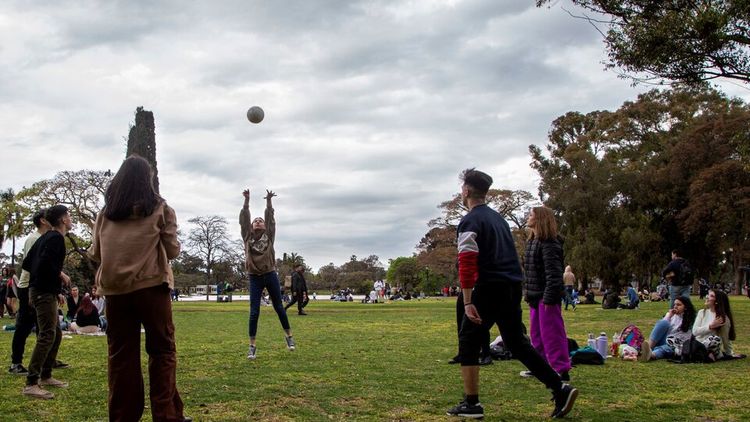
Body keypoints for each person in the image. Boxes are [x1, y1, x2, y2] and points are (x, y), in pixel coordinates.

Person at [447, 168, 577, 419]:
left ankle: (471, 403)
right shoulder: (499, 220)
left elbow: (467, 261)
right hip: (511, 285)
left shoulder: (470, 221)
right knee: (516, 341)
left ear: (465, 191)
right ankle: (559, 387)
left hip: (487, 286)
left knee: (469, 341)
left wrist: (468, 299)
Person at [88, 155, 189, 421]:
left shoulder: (105, 214)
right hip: (151, 287)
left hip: (116, 292)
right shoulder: (160, 208)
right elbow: (172, 250)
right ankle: (166, 415)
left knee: (122, 357)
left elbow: (96, 252)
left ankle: (123, 416)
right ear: (148, 180)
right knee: (162, 351)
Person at [23, 205, 73, 399]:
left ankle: (46, 375)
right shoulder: (56, 238)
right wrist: (57, 282)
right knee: (46, 335)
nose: (70, 219)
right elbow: (45, 265)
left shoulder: (45, 237)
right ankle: (31, 382)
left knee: (56, 333)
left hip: (42, 290)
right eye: (68, 216)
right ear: (62, 220)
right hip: (43, 293)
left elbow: (28, 263)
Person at [240, 188, 294, 360]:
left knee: (279, 307)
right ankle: (252, 346)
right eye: (255, 221)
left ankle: (289, 337)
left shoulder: (269, 236)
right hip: (254, 277)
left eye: (260, 220)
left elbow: (271, 219)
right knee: (254, 311)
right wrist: (247, 201)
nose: (257, 222)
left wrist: (269, 202)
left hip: (270, 274)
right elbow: (244, 219)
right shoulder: (247, 236)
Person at [521, 206, 572, 382]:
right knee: (536, 334)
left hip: (547, 296)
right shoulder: (532, 242)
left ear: (540, 219)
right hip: (535, 296)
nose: (528, 218)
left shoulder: (550, 243)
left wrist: (549, 298)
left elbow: (554, 274)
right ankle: (540, 367)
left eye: (531, 215)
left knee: (552, 334)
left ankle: (560, 369)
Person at [9, 210, 48, 375]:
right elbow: (33, 264)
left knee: (43, 326)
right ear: (43, 220)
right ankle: (15, 363)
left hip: (39, 286)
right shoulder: (34, 238)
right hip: (28, 287)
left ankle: (47, 359)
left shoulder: (45, 238)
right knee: (24, 326)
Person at [640, 296, 696, 361]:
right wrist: (669, 316)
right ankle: (649, 348)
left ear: (686, 307)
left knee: (665, 349)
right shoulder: (670, 315)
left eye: (678, 305)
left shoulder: (691, 319)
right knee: (663, 322)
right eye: (674, 304)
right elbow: (660, 328)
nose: (675, 306)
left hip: (675, 345)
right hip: (664, 339)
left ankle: (651, 355)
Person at [692, 289, 737, 360]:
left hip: (712, 346)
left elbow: (725, 339)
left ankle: (708, 354)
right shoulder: (702, 312)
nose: (707, 297)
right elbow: (694, 331)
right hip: (698, 344)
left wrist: (730, 353)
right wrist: (710, 327)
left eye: (711, 296)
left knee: (714, 339)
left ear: (717, 301)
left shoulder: (722, 318)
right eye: (708, 295)